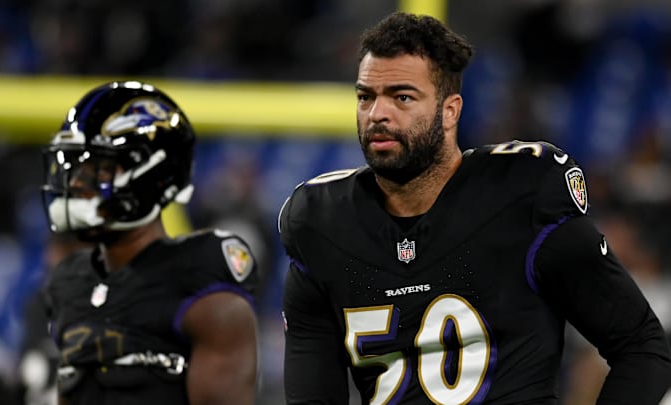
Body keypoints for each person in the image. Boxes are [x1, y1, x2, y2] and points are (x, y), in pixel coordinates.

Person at [279, 12, 671, 404]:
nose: (378, 114)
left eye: (402, 97)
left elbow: (641, 345)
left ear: (450, 110)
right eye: (366, 96)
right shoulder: (322, 223)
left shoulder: (521, 196)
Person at [40, 81, 258, 405]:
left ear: (153, 174)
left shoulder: (200, 280)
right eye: (74, 169)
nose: (75, 184)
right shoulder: (68, 282)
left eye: (96, 170)